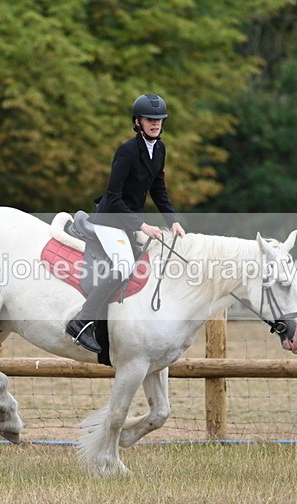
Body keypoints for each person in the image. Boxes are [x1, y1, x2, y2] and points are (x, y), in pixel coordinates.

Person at [66, 93, 186, 353]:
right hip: (110, 220)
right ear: (138, 121)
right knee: (123, 266)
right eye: (150, 119)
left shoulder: (160, 149)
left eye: (159, 120)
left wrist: (173, 220)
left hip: (128, 222)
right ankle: (81, 320)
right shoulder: (127, 151)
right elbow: (112, 196)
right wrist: (141, 226)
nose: (155, 124)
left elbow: (158, 189)